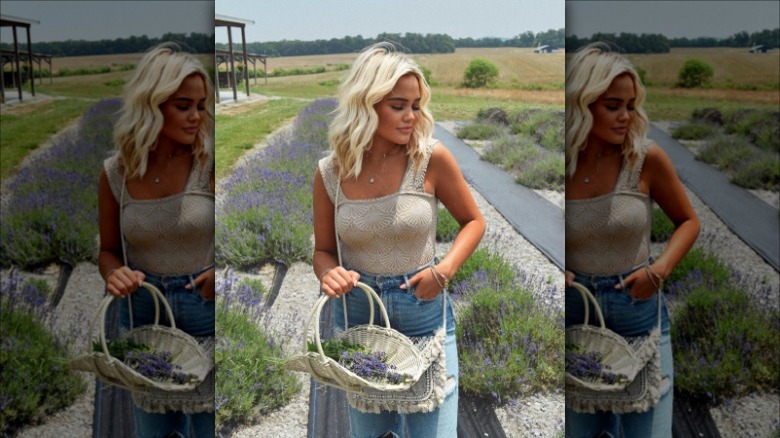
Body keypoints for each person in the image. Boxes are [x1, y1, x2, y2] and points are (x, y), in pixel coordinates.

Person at [312, 42, 485, 438]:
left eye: (416, 105)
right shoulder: (329, 173)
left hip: (424, 314)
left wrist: (444, 271)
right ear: (366, 103)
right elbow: (323, 251)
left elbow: (473, 221)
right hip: (359, 316)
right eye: (398, 105)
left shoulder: (431, 158)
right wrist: (328, 273)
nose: (411, 116)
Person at [564, 42, 700, 437]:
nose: (626, 116)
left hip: (639, 315)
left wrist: (659, 271)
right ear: (582, 104)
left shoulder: (645, 159)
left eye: (630, 105)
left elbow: (688, 221)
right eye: (613, 105)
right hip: (576, 317)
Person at [97, 42, 215, 438]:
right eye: (184, 105)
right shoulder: (115, 173)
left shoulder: (209, 165)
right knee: (153, 430)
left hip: (204, 310)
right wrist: (113, 275)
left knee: (206, 425)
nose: (197, 116)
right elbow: (109, 251)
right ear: (152, 104)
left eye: (201, 105)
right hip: (142, 311)